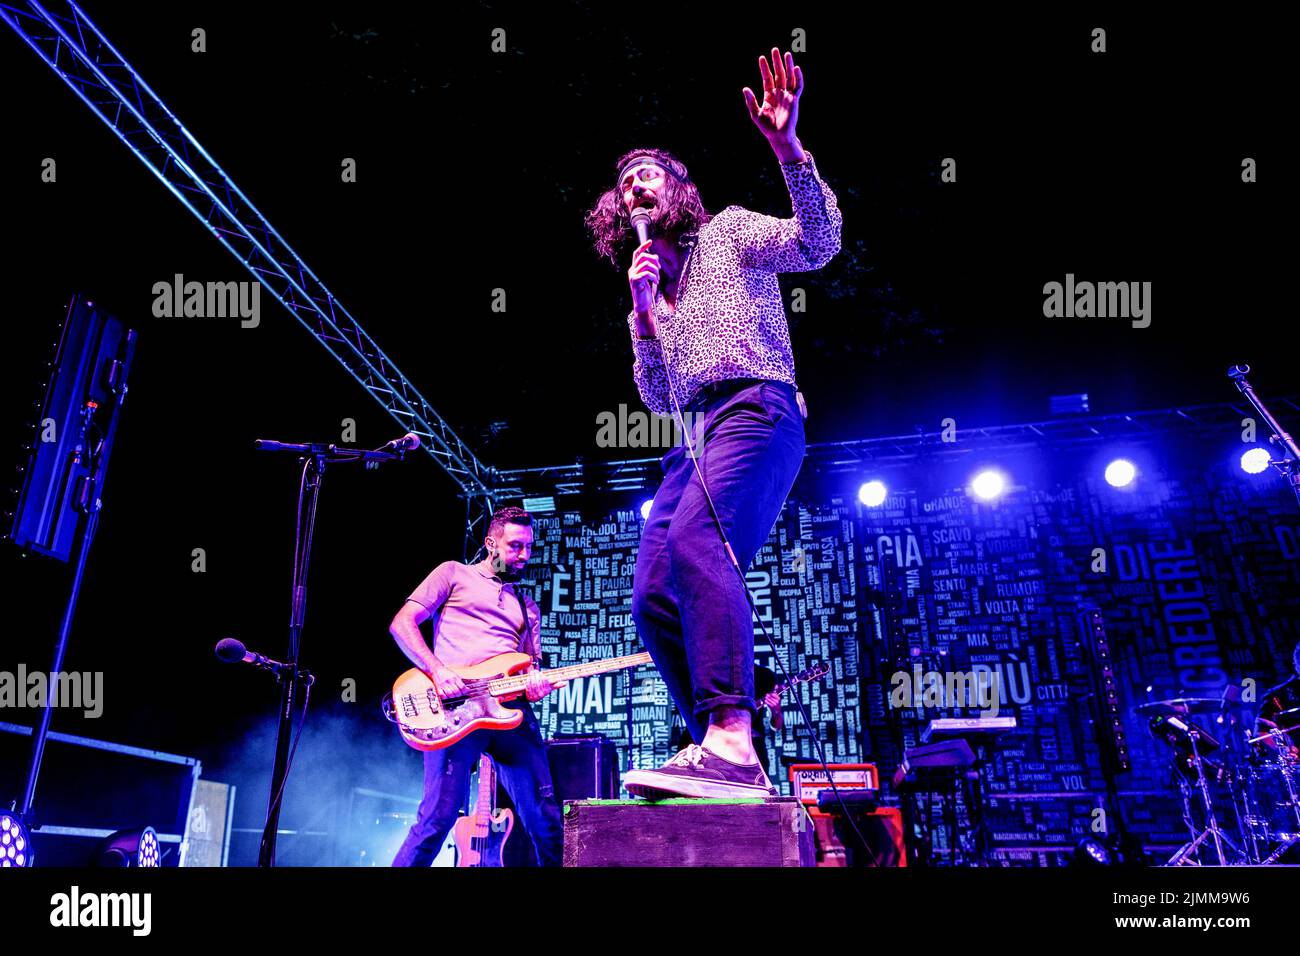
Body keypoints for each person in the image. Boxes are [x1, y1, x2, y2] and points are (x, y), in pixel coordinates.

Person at [584, 48, 840, 798]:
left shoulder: (727, 234)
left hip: (755, 408)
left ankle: (731, 734)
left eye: (650, 173)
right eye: (625, 178)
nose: (636, 182)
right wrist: (640, 314)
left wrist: (786, 144)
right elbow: (660, 398)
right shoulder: (652, 291)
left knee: (701, 542)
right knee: (653, 597)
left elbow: (818, 244)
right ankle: (719, 746)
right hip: (691, 437)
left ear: (679, 190)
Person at [389, 507, 567, 866]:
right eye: (515, 546)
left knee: (547, 819)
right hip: (455, 708)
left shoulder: (527, 606)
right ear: (490, 543)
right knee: (436, 821)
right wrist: (437, 671)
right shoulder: (453, 573)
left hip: (509, 713)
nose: (524, 555)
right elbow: (402, 623)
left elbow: (530, 666)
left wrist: (534, 684)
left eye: (529, 547)